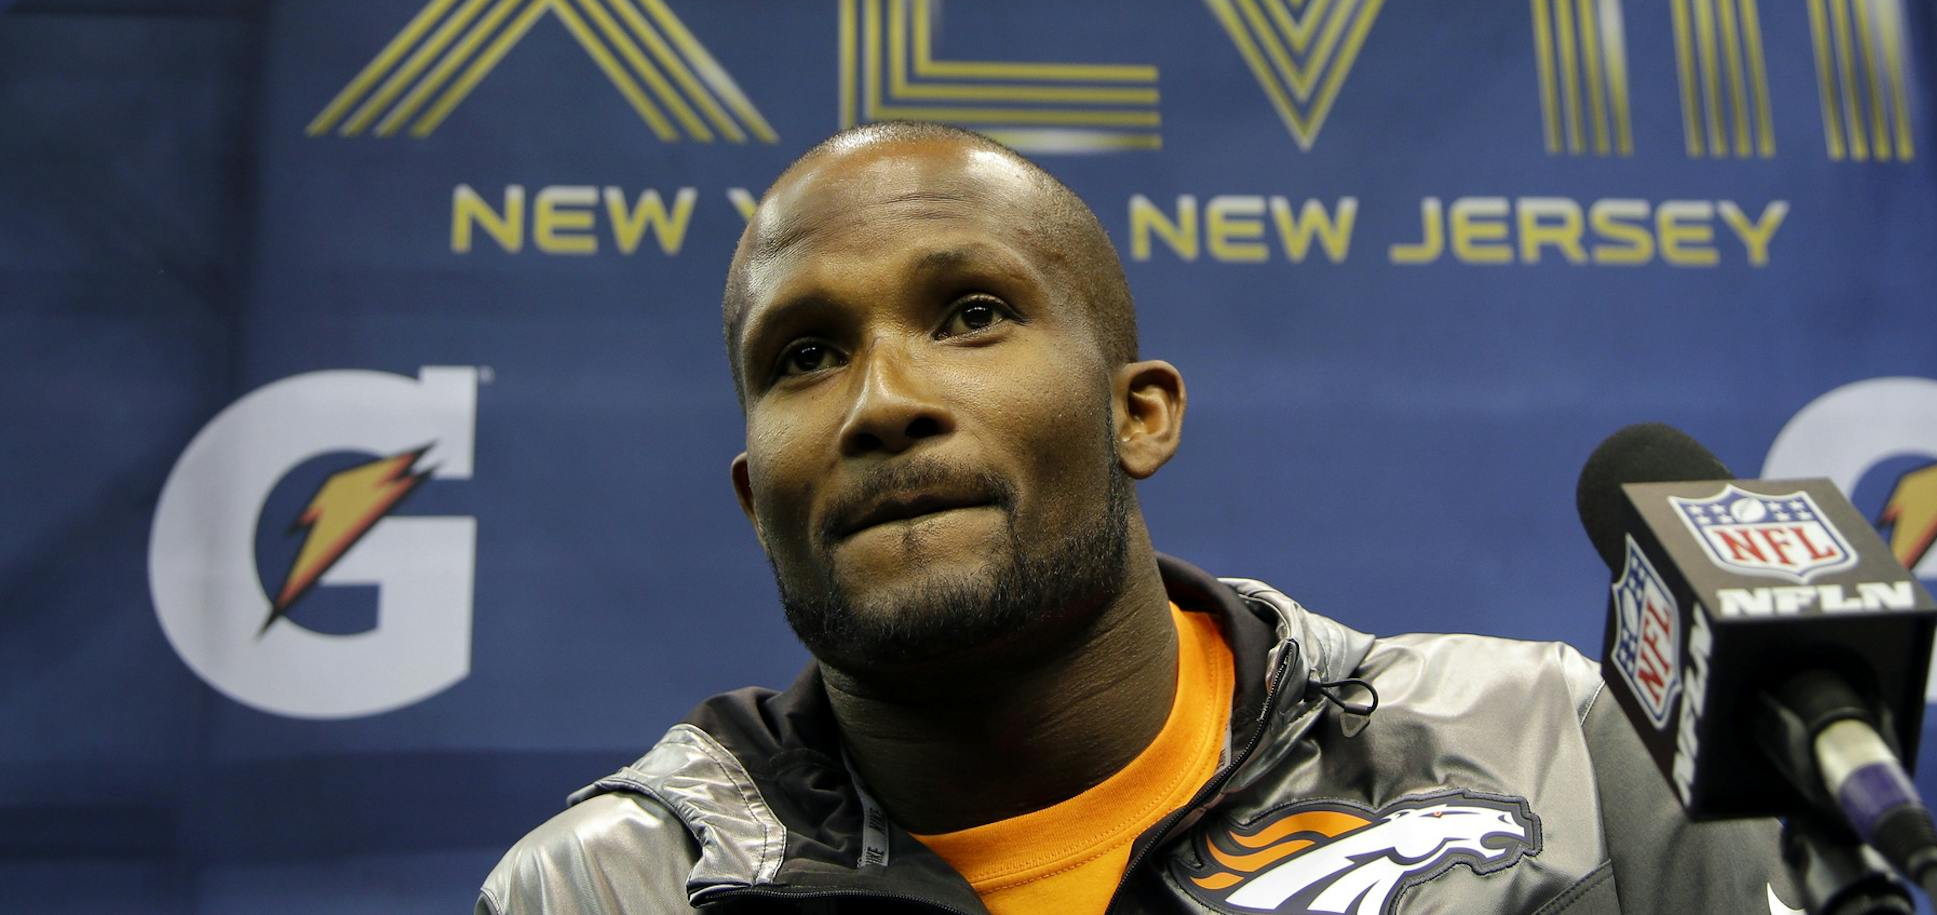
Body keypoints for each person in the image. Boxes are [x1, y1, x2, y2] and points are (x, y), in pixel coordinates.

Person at [479, 122, 1798, 915]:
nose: (881, 403)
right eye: (806, 356)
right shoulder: (611, 892)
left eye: (972, 316)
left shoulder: (1548, 756)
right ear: (756, 495)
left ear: (1141, 415)